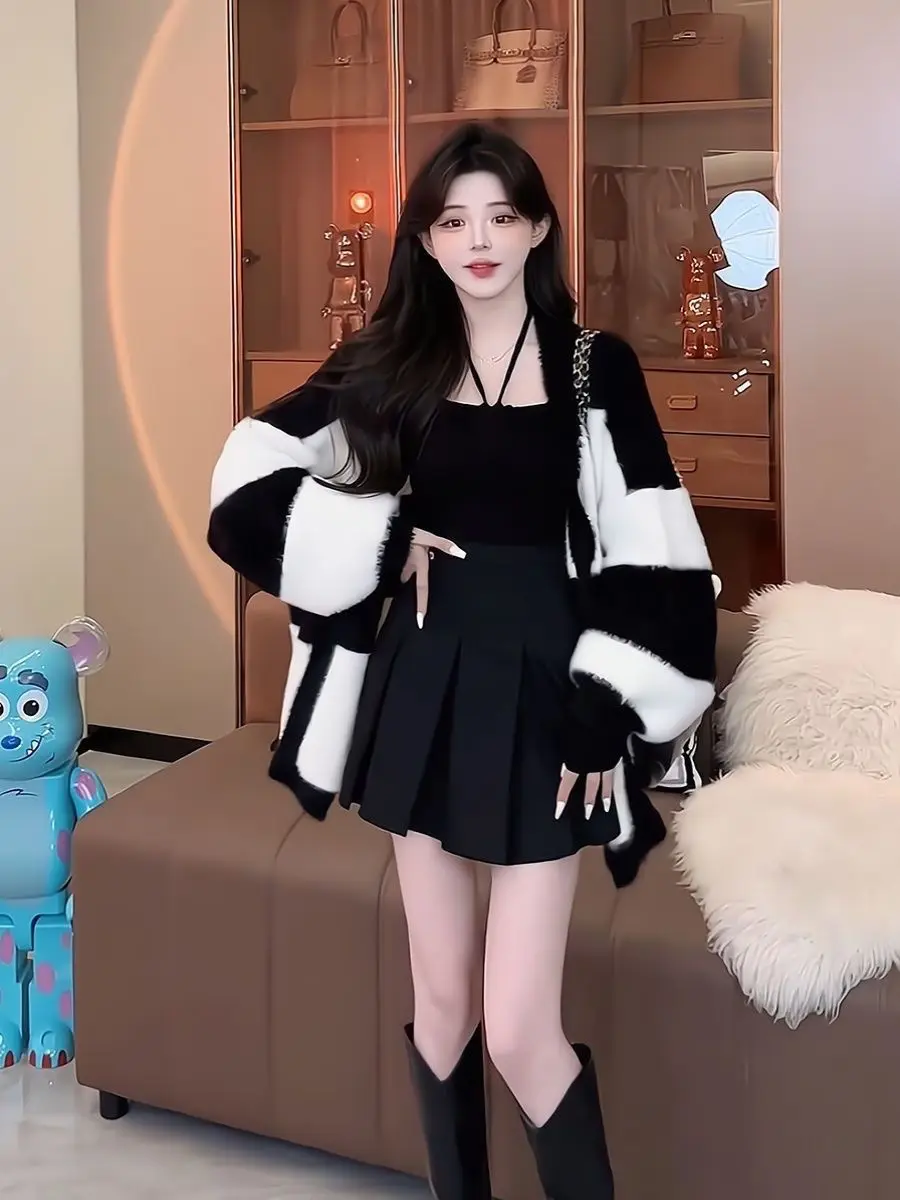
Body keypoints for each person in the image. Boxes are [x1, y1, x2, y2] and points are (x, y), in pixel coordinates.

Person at [207, 123, 717, 1200]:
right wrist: (378, 541)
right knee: (444, 1007)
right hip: (424, 684)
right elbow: (246, 482)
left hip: (554, 694)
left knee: (521, 1029)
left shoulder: (595, 366)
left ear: (537, 228)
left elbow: (656, 545)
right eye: (452, 220)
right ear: (426, 241)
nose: (478, 240)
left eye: (500, 216)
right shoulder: (386, 362)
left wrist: (605, 709)